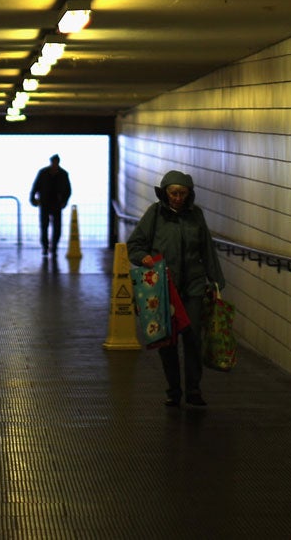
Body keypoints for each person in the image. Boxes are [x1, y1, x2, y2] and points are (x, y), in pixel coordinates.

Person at [125, 169, 223, 409]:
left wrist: (216, 282)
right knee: (166, 339)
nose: (178, 197)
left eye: (182, 193)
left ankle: (193, 389)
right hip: (163, 286)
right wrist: (144, 257)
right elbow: (135, 245)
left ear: (189, 194)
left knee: (192, 337)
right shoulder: (155, 215)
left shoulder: (195, 216)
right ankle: (173, 390)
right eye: (173, 193)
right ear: (165, 193)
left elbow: (207, 250)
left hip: (193, 285)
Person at [28, 153, 72, 256]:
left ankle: (54, 247)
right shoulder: (44, 173)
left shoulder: (62, 174)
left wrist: (64, 200)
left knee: (56, 227)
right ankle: (45, 247)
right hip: (45, 203)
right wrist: (32, 198)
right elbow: (36, 186)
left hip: (55, 204)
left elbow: (68, 190)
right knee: (44, 226)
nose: (54, 164)